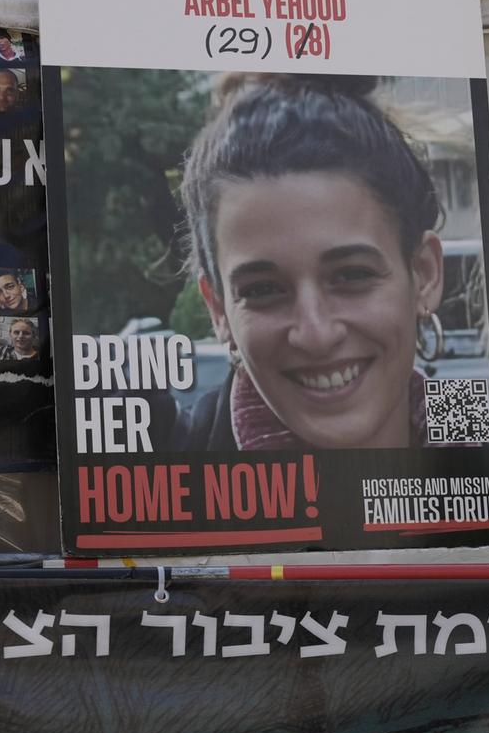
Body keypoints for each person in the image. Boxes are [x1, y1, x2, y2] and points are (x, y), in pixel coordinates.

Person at [173, 76, 447, 452]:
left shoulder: (472, 433)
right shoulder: (167, 474)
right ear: (217, 308)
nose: (316, 334)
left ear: (424, 275)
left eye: (352, 275)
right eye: (262, 290)